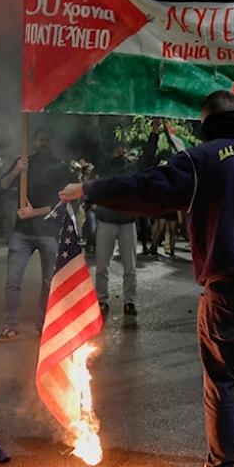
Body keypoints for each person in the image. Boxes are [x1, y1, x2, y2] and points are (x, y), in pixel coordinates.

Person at [58, 90, 234, 467]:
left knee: (221, 382)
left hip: (229, 292)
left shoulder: (204, 160)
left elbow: (145, 189)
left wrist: (89, 188)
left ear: (208, 125)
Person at [0, 128, 72, 342]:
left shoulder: (61, 168)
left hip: (48, 233)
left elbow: (62, 202)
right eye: (40, 139)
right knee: (12, 281)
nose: (43, 143)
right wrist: (16, 171)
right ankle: (10, 325)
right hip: (22, 232)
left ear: (52, 142)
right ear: (35, 141)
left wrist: (33, 212)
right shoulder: (24, 163)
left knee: (48, 281)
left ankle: (43, 323)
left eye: (47, 139)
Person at [94, 125, 160, 320]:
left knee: (130, 267)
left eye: (124, 149)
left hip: (127, 222)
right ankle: (102, 301)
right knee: (101, 266)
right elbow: (96, 151)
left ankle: (129, 302)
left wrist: (154, 133)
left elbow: (147, 157)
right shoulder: (106, 168)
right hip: (106, 221)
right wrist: (94, 121)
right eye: (118, 149)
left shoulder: (132, 170)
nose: (122, 153)